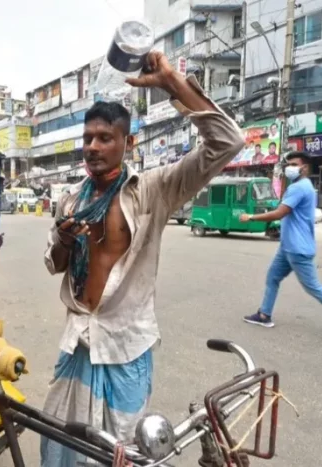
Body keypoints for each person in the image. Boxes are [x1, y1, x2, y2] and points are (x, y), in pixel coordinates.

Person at [41, 51, 244, 466]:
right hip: (79, 342)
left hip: (126, 347)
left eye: (105, 137)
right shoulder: (69, 201)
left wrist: (172, 83)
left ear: (128, 142)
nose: (93, 147)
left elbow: (228, 142)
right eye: (88, 138)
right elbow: (55, 263)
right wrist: (63, 240)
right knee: (62, 445)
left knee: (129, 455)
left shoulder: (153, 190)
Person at [238, 151, 322, 347]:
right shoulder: (301, 186)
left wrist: (251, 217)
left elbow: (280, 213)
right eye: (288, 164)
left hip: (298, 249)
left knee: (313, 287)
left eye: (293, 164)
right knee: (272, 277)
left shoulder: (299, 187)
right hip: (287, 246)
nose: (289, 167)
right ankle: (264, 314)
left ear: (304, 167)